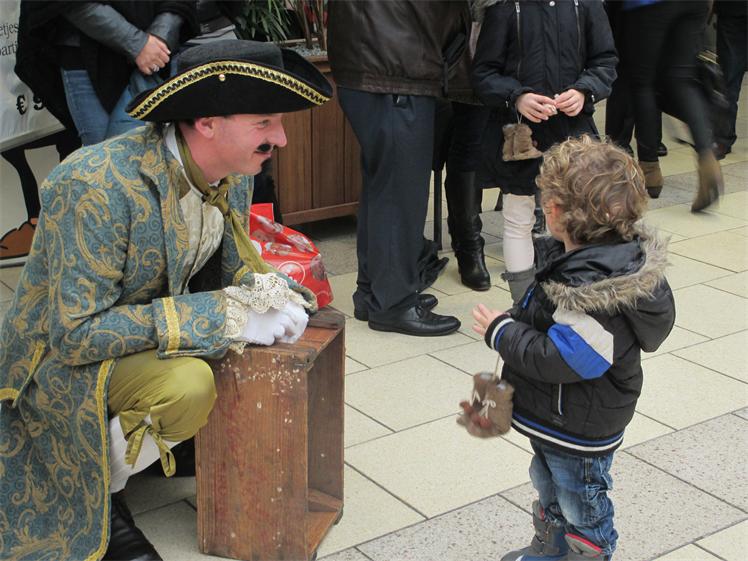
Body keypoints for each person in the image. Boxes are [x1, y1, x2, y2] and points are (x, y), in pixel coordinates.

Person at [0, 40, 333, 561]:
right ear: (207, 123)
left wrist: (278, 295)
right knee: (188, 385)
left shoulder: (232, 174)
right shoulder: (94, 183)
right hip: (57, 362)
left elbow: (235, 267)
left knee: (248, 343)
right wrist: (225, 314)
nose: (281, 139)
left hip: (138, 334)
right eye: (264, 123)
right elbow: (75, 334)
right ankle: (99, 496)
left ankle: (150, 449)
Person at [470, 136, 676, 561]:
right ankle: (553, 545)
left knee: (580, 500)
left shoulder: (596, 291)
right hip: (558, 414)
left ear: (554, 211)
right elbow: (545, 319)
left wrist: (502, 332)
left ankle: (588, 553)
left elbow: (563, 359)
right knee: (549, 483)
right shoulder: (576, 261)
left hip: (580, 424)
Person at [327, 0, 473, 336]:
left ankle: (373, 294)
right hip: (394, 65)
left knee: (383, 188)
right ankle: (394, 303)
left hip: (377, 61)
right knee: (400, 194)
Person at [471, 0, 617, 305]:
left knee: (581, 218)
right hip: (521, 135)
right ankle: (522, 303)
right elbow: (484, 72)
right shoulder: (505, 7)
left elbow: (605, 60)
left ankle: (576, 300)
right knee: (518, 215)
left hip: (573, 134)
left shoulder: (586, 5)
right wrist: (517, 96)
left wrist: (584, 91)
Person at [15, 0, 198, 146]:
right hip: (88, 61)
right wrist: (137, 43)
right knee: (106, 163)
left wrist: (159, 38)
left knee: (168, 159)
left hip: (159, 53)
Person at [622, 0, 723, 211]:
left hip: (649, 5)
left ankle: (650, 170)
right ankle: (707, 156)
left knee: (643, 83)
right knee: (681, 79)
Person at [713, 0, 747, 160]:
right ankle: (722, 138)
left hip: (733, 9)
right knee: (728, 79)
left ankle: (722, 139)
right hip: (732, 10)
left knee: (728, 79)